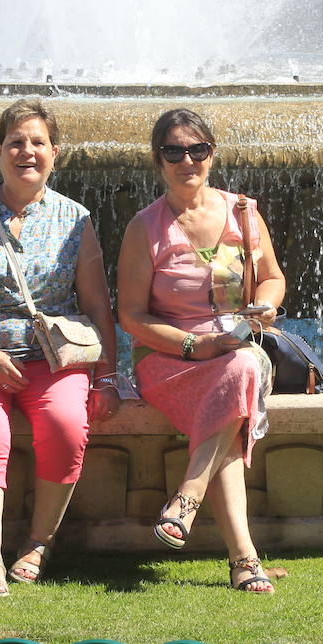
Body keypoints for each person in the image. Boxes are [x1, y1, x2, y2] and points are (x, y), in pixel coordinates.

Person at [0, 98, 119, 596]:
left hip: (53, 358)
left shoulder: (76, 220)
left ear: (55, 153)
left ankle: (38, 543)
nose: (26, 152)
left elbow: (99, 306)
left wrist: (107, 375)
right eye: (16, 142)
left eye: (37, 143)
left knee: (64, 424)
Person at [117, 108, 283, 594]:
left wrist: (265, 306)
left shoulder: (244, 214)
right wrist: (195, 345)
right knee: (236, 393)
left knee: (243, 364)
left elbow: (272, 276)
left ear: (212, 154)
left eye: (197, 150)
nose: (186, 160)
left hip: (236, 349)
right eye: (173, 152)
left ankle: (189, 499)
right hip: (170, 359)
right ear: (158, 160)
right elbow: (131, 316)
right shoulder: (144, 229)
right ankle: (244, 561)